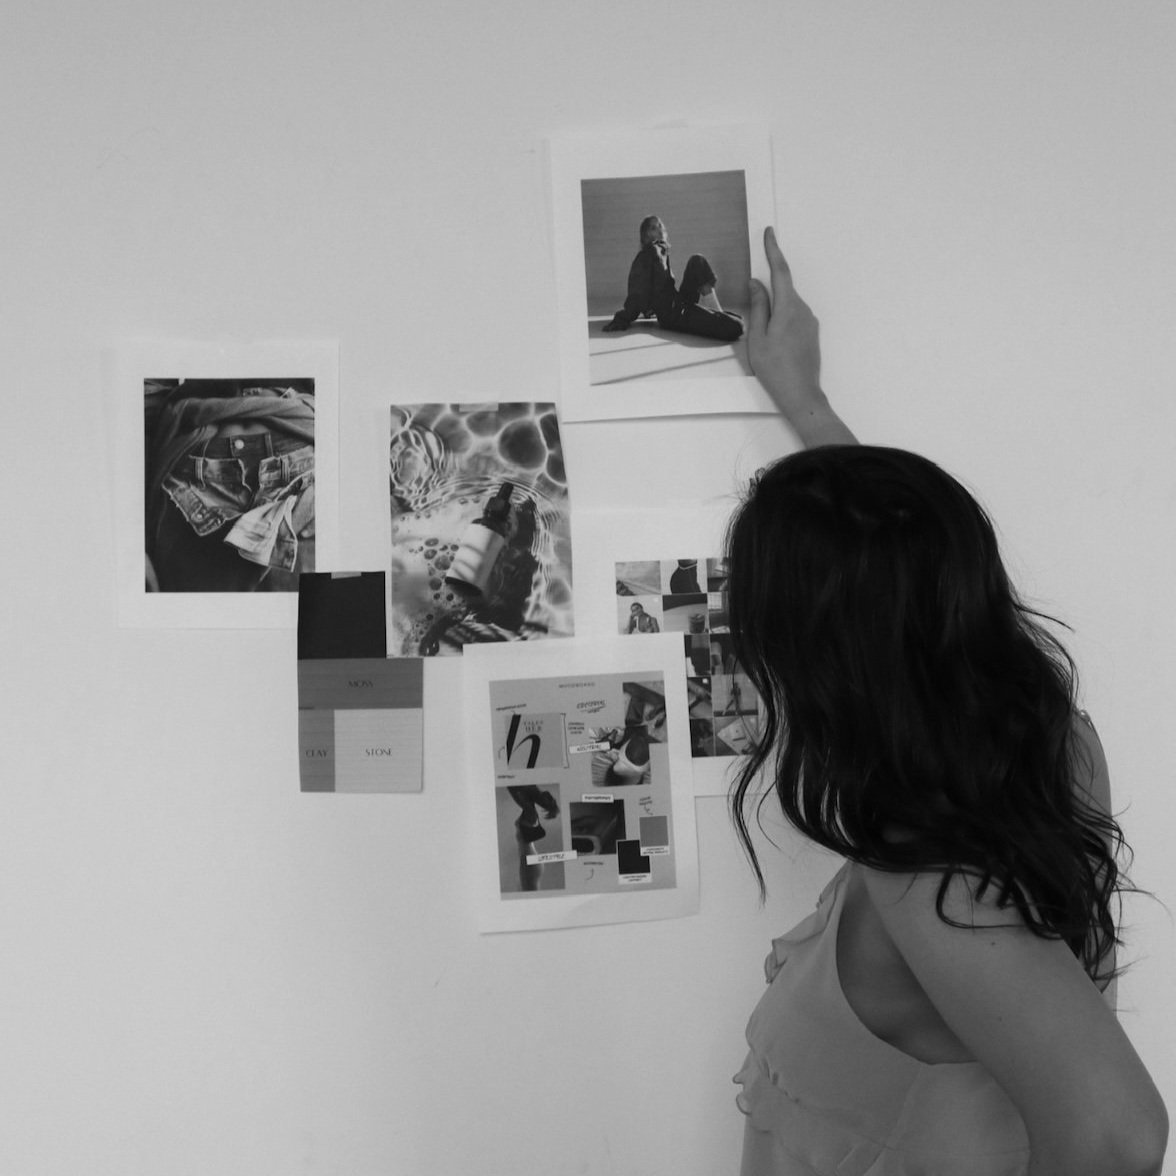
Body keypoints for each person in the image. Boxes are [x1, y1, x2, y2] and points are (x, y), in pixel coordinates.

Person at [726, 228, 1167, 1176]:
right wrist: (807, 403)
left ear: (808, 658)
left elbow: (1118, 1135)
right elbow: (900, 574)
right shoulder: (1043, 735)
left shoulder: (931, 864)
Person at [601, 216, 743, 343]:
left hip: (678, 302)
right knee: (736, 326)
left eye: (660, 225)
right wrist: (624, 317)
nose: (659, 229)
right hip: (672, 315)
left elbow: (657, 286)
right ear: (646, 235)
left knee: (697, 261)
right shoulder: (649, 253)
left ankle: (717, 312)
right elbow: (638, 289)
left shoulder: (661, 251)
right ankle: (718, 316)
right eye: (653, 228)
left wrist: (648, 309)